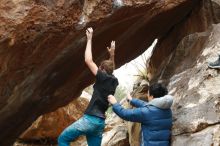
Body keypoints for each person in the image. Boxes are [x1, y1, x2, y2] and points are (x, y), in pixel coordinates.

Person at [58, 27, 119, 146]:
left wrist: (89, 39)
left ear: (101, 70)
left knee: (63, 139)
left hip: (89, 120)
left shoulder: (102, 77)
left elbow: (88, 60)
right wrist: (112, 55)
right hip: (100, 123)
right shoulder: (114, 81)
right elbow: (112, 69)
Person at [108, 83, 173, 146]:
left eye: (148, 93)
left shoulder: (148, 112)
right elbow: (147, 106)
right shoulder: (167, 109)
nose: (147, 96)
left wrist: (115, 103)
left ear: (151, 96)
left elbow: (125, 114)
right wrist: (131, 100)